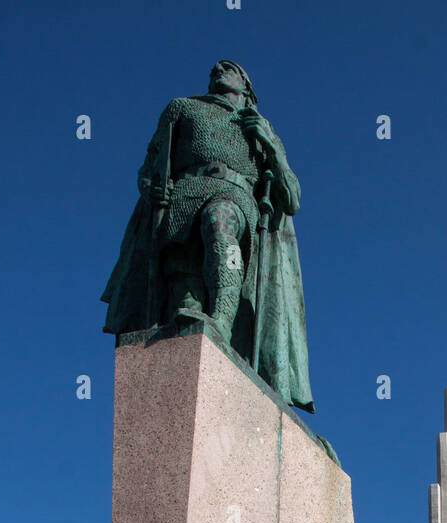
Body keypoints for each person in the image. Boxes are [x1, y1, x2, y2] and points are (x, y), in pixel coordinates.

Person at [102, 59, 314, 412]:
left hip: (233, 195)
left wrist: (271, 147)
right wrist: (152, 188)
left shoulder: (260, 128)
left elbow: (291, 198)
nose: (218, 68)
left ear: (246, 85)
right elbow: (149, 168)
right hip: (183, 198)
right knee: (183, 305)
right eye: (216, 66)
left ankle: (221, 322)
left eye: (229, 67)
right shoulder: (182, 108)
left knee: (221, 226)